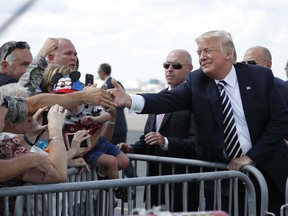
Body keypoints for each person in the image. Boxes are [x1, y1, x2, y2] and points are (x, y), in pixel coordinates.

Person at [111, 30, 288, 215]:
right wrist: (129, 100)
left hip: (268, 172)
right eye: (199, 53)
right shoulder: (197, 81)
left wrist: (250, 156)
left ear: (228, 53)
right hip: (225, 178)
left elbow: (279, 121)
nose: (202, 57)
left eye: (207, 51)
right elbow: (168, 100)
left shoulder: (259, 77)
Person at [118, 49, 199, 211]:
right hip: (155, 186)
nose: (169, 69)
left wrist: (166, 142)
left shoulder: (196, 101)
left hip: (181, 187)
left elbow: (196, 143)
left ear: (189, 69)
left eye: (176, 65)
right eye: (166, 65)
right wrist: (133, 148)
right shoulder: (159, 99)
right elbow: (149, 137)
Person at [51, 70, 132, 202]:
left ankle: (102, 174)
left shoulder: (88, 105)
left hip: (99, 141)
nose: (67, 101)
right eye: (62, 97)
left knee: (124, 162)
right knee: (111, 162)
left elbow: (108, 115)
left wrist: (96, 120)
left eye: (70, 96)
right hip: (85, 149)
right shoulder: (60, 113)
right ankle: (118, 189)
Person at [0, 104, 68, 214]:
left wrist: (32, 134)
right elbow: (58, 173)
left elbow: (15, 153)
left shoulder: (5, 144)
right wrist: (55, 130)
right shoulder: (4, 145)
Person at [98, 63, 135, 178]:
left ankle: (130, 177)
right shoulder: (118, 83)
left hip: (114, 126)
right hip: (121, 124)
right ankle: (131, 176)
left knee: (116, 152)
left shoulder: (107, 86)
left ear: (102, 73)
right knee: (119, 152)